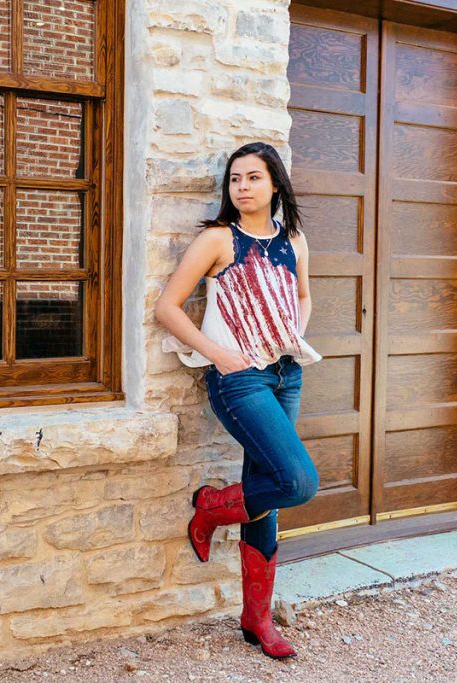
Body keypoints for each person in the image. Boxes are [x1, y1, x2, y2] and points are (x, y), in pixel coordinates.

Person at [153, 141, 323, 660]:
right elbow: (167, 307)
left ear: (275, 184)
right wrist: (217, 354)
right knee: (296, 481)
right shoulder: (217, 239)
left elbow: (303, 296)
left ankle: (256, 618)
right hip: (240, 380)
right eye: (235, 179)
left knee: (266, 491)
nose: (242, 187)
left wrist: (294, 333)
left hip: (286, 374)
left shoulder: (293, 240)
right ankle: (207, 509)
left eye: (253, 177)